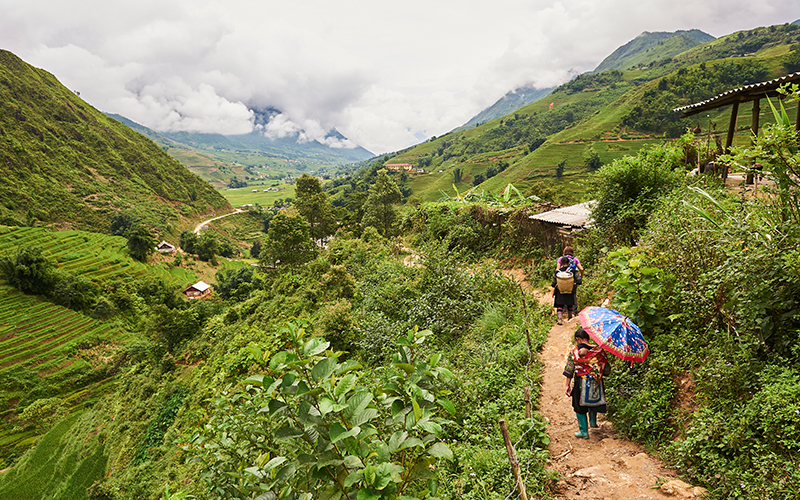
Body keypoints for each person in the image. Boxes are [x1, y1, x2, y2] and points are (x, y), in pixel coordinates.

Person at [563, 328, 610, 439]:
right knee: (593, 402)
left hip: (581, 381)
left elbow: (570, 369)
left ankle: (584, 432)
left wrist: (567, 385)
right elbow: (606, 370)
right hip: (596, 382)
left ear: (578, 339)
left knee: (579, 405)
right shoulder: (598, 351)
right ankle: (593, 423)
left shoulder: (574, 351)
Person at [552, 256, 576, 325]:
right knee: (570, 304)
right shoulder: (573, 271)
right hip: (570, 290)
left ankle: (559, 319)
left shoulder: (558, 272)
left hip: (560, 291)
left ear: (561, 263)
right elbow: (579, 280)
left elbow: (553, 283)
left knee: (560, 305)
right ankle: (570, 318)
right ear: (568, 263)